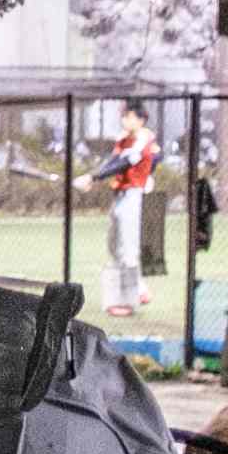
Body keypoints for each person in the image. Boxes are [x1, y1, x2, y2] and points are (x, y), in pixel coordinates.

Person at [87, 106, 162, 315]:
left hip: (134, 195)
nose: (125, 120)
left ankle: (127, 302)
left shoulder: (144, 138)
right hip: (119, 195)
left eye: (129, 117)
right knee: (114, 245)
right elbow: (113, 161)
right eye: (124, 116)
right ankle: (140, 288)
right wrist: (95, 176)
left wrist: (94, 177)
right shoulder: (123, 138)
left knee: (127, 248)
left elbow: (126, 162)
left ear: (141, 120)